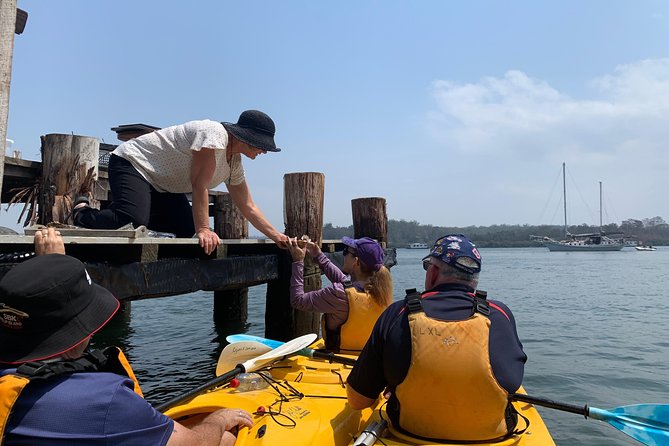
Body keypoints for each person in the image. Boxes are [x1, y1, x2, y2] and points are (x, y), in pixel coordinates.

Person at [0, 228, 253, 445]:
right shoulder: (104, 401)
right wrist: (219, 420)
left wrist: (54, 270)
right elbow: (193, 443)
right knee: (227, 438)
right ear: (80, 331)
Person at [346, 234, 527, 443]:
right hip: (493, 438)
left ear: (433, 272)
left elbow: (358, 400)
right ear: (474, 279)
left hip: (409, 435)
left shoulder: (398, 313)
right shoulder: (500, 314)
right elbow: (512, 377)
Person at [73, 110, 290, 254]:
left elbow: (248, 206)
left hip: (163, 185)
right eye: (263, 146)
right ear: (247, 138)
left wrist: (276, 236)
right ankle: (81, 212)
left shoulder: (234, 162)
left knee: (186, 231)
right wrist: (204, 228)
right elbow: (199, 185)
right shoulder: (214, 134)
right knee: (130, 219)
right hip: (133, 163)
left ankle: (125, 211)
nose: (264, 151)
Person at [286, 236, 393, 353]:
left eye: (346, 251)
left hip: (339, 356)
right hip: (366, 356)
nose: (344, 255)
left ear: (356, 262)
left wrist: (298, 261)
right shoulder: (381, 291)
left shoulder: (338, 295)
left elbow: (298, 300)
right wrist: (318, 255)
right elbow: (345, 283)